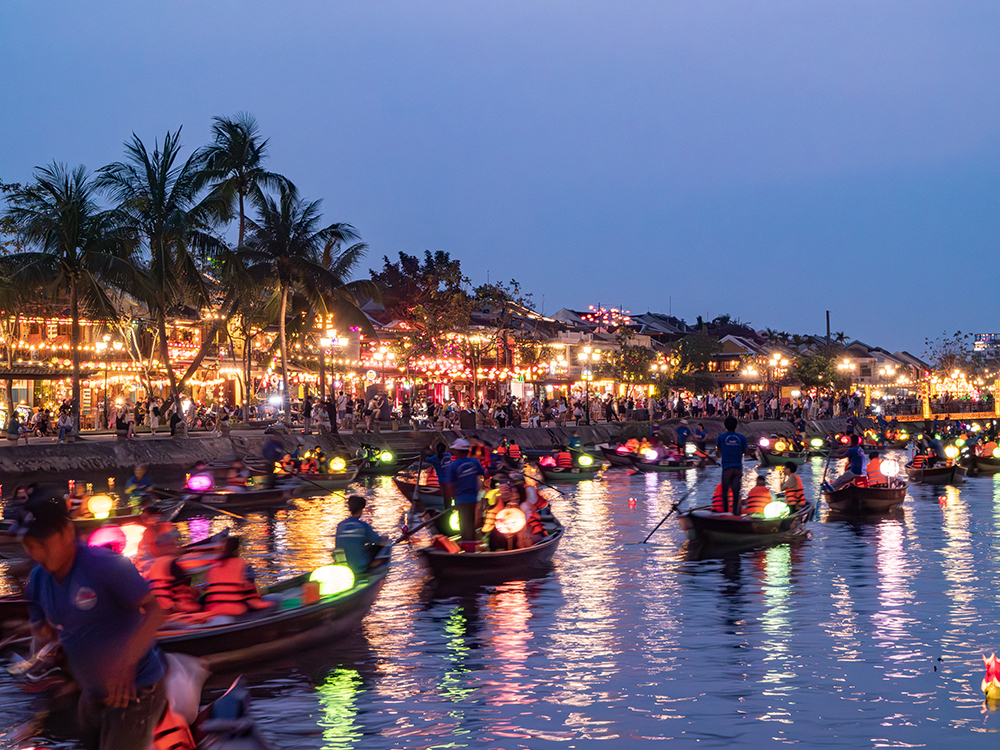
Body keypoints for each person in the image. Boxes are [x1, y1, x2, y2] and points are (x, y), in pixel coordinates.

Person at [15, 491, 167, 750]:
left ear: (66, 532)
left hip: (136, 690)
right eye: (28, 544)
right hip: (91, 693)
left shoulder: (105, 566)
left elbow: (156, 610)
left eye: (41, 542)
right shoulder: (37, 581)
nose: (35, 552)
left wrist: (125, 663)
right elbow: (47, 636)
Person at [203, 536, 273, 616]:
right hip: (235, 611)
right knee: (274, 599)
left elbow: (209, 590)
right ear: (238, 550)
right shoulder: (242, 565)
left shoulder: (214, 567)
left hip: (213, 610)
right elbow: (253, 598)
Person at [144, 532, 200, 614]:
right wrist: (198, 588)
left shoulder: (152, 565)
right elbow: (185, 589)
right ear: (167, 546)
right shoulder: (172, 563)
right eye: (173, 545)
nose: (175, 548)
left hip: (158, 609)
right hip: (174, 608)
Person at [441, 438, 485, 541]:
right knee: (471, 522)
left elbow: (449, 486)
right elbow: (483, 474)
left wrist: (450, 502)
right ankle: (471, 543)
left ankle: (467, 545)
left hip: (461, 498)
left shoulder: (453, 466)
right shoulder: (475, 462)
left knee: (464, 525)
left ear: (458, 451)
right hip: (473, 498)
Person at [334, 495, 388, 575]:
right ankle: (370, 568)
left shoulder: (340, 525)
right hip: (359, 566)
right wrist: (386, 538)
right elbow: (380, 542)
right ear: (362, 509)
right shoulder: (363, 526)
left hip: (342, 565)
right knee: (379, 546)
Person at [716, 416, 748, 514]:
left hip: (726, 468)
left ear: (725, 426)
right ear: (736, 426)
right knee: (736, 493)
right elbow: (744, 451)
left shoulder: (721, 437)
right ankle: (735, 513)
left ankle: (726, 513)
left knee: (725, 492)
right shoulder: (741, 437)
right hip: (737, 468)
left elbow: (718, 453)